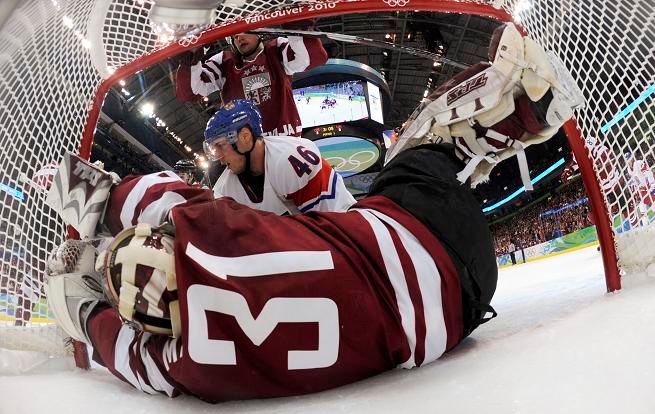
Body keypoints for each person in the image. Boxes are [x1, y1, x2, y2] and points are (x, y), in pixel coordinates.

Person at [45, 23, 582, 403]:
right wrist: (87, 192)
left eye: (226, 145)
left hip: (453, 319)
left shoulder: (187, 367)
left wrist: (85, 314)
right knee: (416, 149)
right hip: (414, 234)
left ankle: (468, 153)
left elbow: (129, 356)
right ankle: (493, 117)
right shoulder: (205, 219)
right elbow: (148, 198)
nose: (220, 157)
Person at [175, 21, 328, 137]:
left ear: (258, 31)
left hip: (286, 145)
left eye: (243, 32)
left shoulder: (275, 50)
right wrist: (191, 58)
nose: (239, 37)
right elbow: (190, 92)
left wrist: (298, 27)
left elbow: (312, 58)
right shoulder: (224, 62)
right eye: (234, 37)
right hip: (246, 153)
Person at [204, 99, 356, 215]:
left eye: (221, 146)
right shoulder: (224, 190)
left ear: (245, 137)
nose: (219, 158)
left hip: (345, 232)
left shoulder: (291, 158)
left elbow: (332, 224)